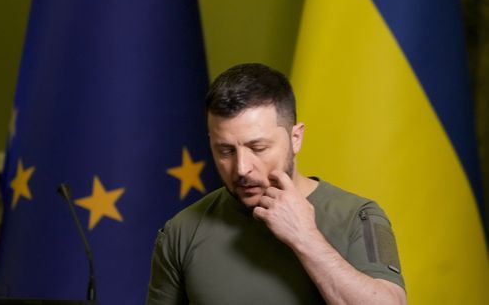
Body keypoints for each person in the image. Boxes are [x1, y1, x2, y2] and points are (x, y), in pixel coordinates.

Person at [146, 63, 407, 304]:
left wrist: (305, 238)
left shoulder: (358, 217)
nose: (242, 168)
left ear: (296, 138)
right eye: (225, 151)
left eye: (258, 147)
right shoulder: (181, 231)